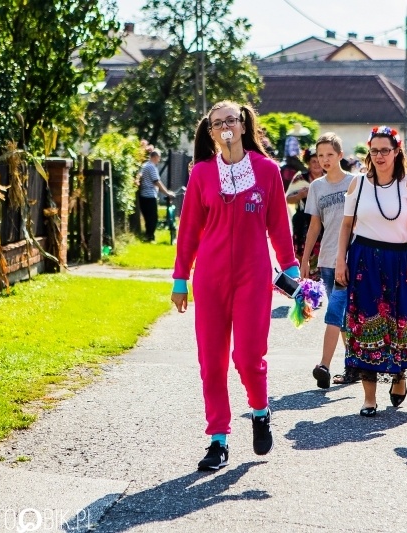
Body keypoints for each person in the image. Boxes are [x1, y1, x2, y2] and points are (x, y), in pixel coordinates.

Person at [170, 100, 299, 470]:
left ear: (243, 125)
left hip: (253, 275)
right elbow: (189, 230)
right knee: (211, 363)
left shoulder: (267, 170)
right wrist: (181, 277)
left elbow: (278, 225)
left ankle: (260, 411)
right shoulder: (201, 174)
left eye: (231, 120)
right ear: (210, 132)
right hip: (209, 278)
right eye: (217, 123)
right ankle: (218, 439)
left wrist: (290, 271)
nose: (225, 127)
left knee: (246, 357)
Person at [335, 126, 407, 417]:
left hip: (400, 260)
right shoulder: (358, 184)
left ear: (396, 151)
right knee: (366, 324)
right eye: (374, 150)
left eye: (385, 150)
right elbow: (345, 226)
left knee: (400, 323)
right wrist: (341, 260)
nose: (379, 156)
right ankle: (369, 397)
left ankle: (399, 374)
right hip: (364, 259)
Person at [303, 133, 357, 388]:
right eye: (320, 156)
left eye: (330, 155)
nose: (325, 160)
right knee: (342, 317)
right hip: (325, 259)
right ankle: (353, 365)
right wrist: (305, 259)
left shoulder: (355, 183)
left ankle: (324, 365)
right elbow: (314, 226)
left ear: (340, 155)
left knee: (335, 311)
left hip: (350, 259)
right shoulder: (317, 186)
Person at [286, 148, 324, 280]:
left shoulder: (328, 177)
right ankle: (306, 287)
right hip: (303, 223)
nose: (317, 164)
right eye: (313, 161)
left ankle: (318, 290)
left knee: (320, 258)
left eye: (319, 161)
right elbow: (287, 199)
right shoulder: (300, 178)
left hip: (323, 223)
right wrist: (300, 194)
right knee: (303, 256)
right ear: (308, 163)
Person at [138, 149, 175, 242]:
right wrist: (167, 193)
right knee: (153, 218)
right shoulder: (151, 167)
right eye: (159, 157)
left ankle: (148, 236)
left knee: (148, 217)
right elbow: (156, 181)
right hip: (150, 195)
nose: (159, 160)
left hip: (143, 195)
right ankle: (150, 237)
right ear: (154, 157)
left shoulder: (145, 166)